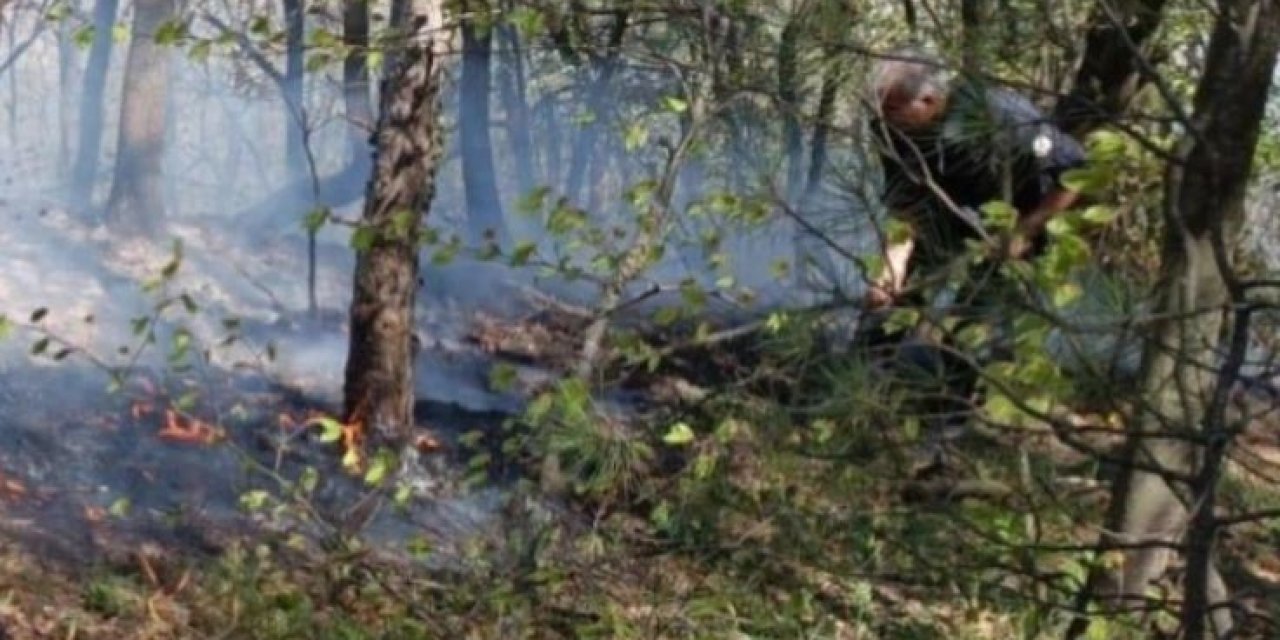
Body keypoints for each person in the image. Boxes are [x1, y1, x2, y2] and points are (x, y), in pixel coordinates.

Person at [859, 47, 1088, 439]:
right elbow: (905, 199)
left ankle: (949, 426)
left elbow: (1076, 171)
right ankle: (863, 396)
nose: (885, 120)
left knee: (975, 323)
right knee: (890, 303)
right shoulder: (888, 127)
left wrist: (1024, 231)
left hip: (1021, 220)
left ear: (928, 101)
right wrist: (893, 260)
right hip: (945, 213)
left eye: (894, 110)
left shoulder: (1000, 116)